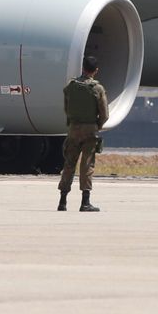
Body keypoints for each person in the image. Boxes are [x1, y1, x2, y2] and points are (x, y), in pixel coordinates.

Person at [58, 55, 109, 212]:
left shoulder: (71, 86)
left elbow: (66, 108)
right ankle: (85, 202)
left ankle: (63, 201)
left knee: (69, 164)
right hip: (90, 130)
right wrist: (97, 125)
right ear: (96, 71)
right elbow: (105, 114)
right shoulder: (97, 89)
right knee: (87, 165)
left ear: (83, 68)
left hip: (74, 128)